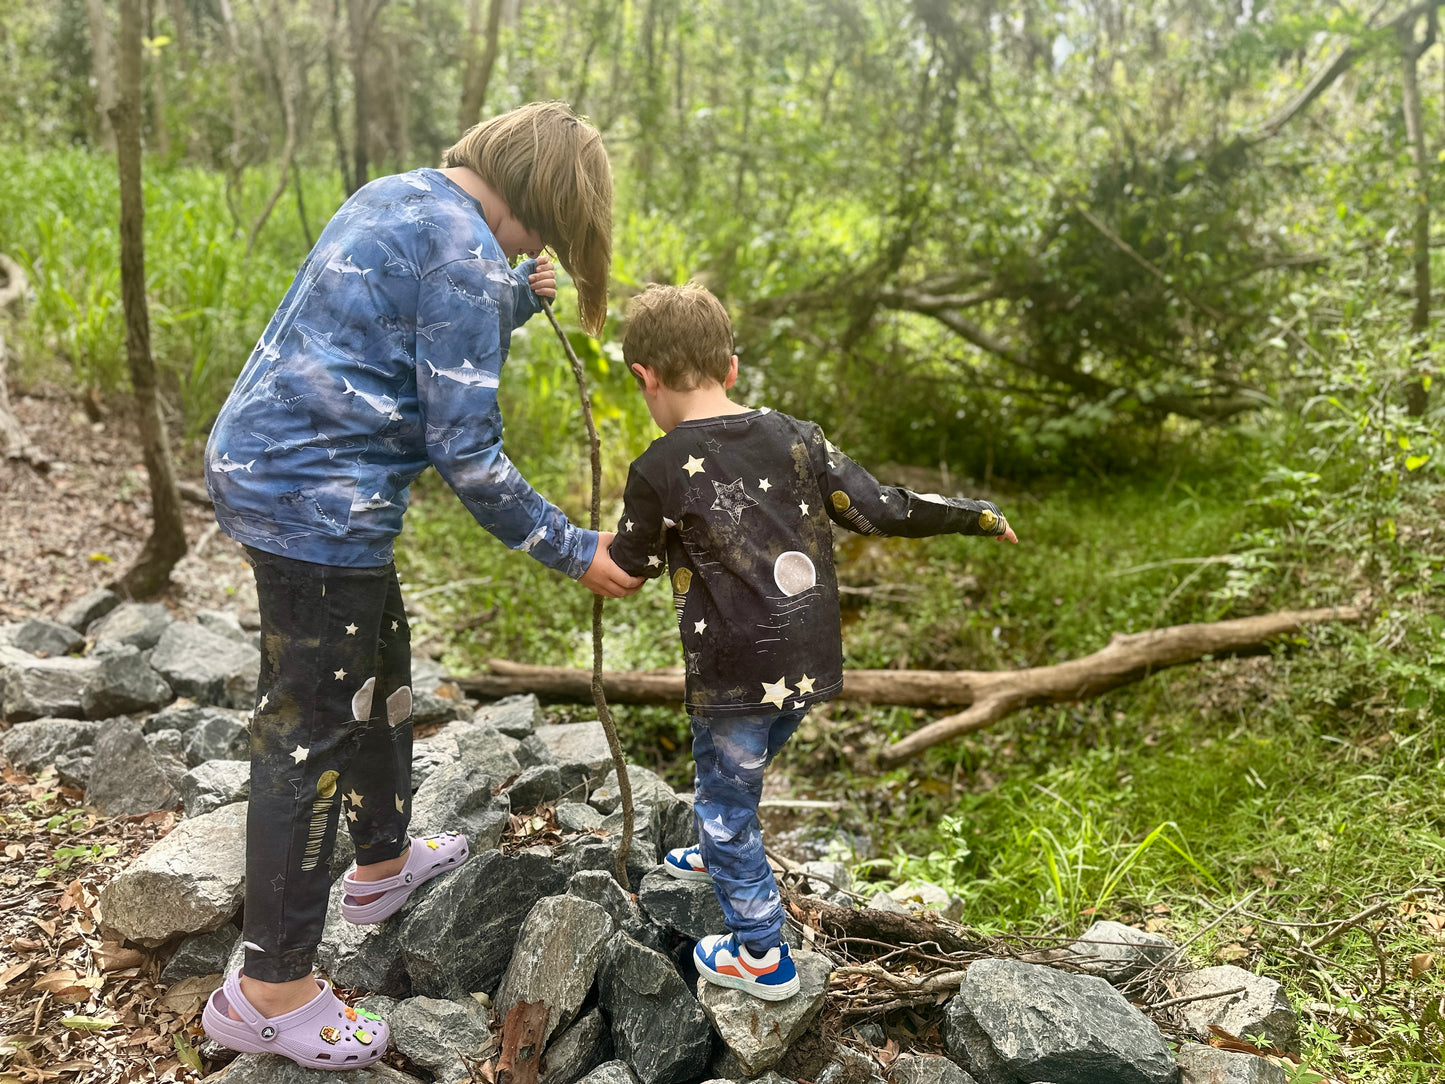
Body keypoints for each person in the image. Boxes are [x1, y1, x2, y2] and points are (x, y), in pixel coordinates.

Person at [200, 101, 642, 1069]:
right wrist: (574, 547)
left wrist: (510, 301)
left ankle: (383, 864)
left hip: (278, 469)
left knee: (380, 670)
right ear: (543, 204)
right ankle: (269, 991)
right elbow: (468, 454)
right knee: (311, 728)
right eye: (560, 230)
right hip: (316, 502)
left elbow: (396, 323)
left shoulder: (400, 195)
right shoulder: (466, 258)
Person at [608, 283, 1017, 1001]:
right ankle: (720, 852)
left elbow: (630, 566)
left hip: (734, 674)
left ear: (644, 377)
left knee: (727, 804)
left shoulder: (658, 468)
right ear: (730, 367)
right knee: (740, 775)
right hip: (806, 663)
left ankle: (761, 954)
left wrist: (578, 551)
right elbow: (884, 508)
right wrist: (973, 514)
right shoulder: (800, 438)